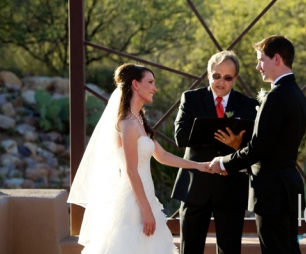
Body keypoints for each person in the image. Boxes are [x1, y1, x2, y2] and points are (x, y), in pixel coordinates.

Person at [67, 63, 210, 253]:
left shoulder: (139, 120)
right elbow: (131, 170)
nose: (154, 88)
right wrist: (146, 210)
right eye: (150, 82)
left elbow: (162, 155)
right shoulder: (127, 124)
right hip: (133, 202)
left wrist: (198, 165)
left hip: (146, 195)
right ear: (135, 84)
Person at [205, 35, 306, 254]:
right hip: (288, 186)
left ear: (276, 59)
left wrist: (223, 163)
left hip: (272, 191)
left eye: (261, 60)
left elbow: (258, 148)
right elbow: (275, 143)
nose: (258, 66)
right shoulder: (297, 94)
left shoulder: (276, 97)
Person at [171, 51, 259, 254]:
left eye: (227, 78)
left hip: (231, 187)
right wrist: (215, 133)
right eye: (216, 76)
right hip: (196, 185)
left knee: (230, 249)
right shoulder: (191, 98)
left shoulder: (249, 105)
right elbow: (181, 137)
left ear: (235, 78)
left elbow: (255, 147)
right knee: (189, 248)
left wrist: (237, 145)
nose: (221, 82)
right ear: (208, 74)